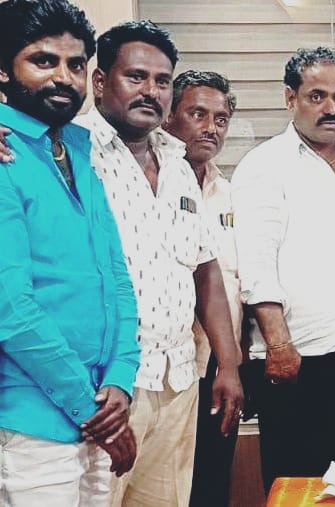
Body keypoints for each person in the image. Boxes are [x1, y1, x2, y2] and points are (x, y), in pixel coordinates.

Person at [72, 21, 243, 506]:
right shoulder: (69, 149)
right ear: (100, 81)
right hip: (105, 389)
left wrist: (228, 364)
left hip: (178, 379)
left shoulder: (177, 165)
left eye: (162, 80)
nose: (151, 91)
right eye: (136, 77)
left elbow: (205, 269)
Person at [231, 47, 335, 492]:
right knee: (300, 488)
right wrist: (279, 345)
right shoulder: (265, 166)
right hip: (297, 360)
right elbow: (256, 263)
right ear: (290, 98)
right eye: (317, 96)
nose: (331, 108)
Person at [0, 0, 139, 504]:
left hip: (98, 410)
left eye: (76, 64)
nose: (64, 77)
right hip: (32, 420)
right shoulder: (4, 154)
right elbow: (10, 309)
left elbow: (116, 278)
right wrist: (91, 406)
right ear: (3, 70)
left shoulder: (77, 151)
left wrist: (120, 380)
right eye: (43, 61)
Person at [162, 69, 242, 507]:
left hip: (220, 364)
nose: (211, 128)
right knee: (167, 487)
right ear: (169, 115)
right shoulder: (150, 179)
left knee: (212, 483)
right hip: (167, 366)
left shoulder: (226, 191)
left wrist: (232, 364)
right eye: (198, 114)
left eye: (221, 119)